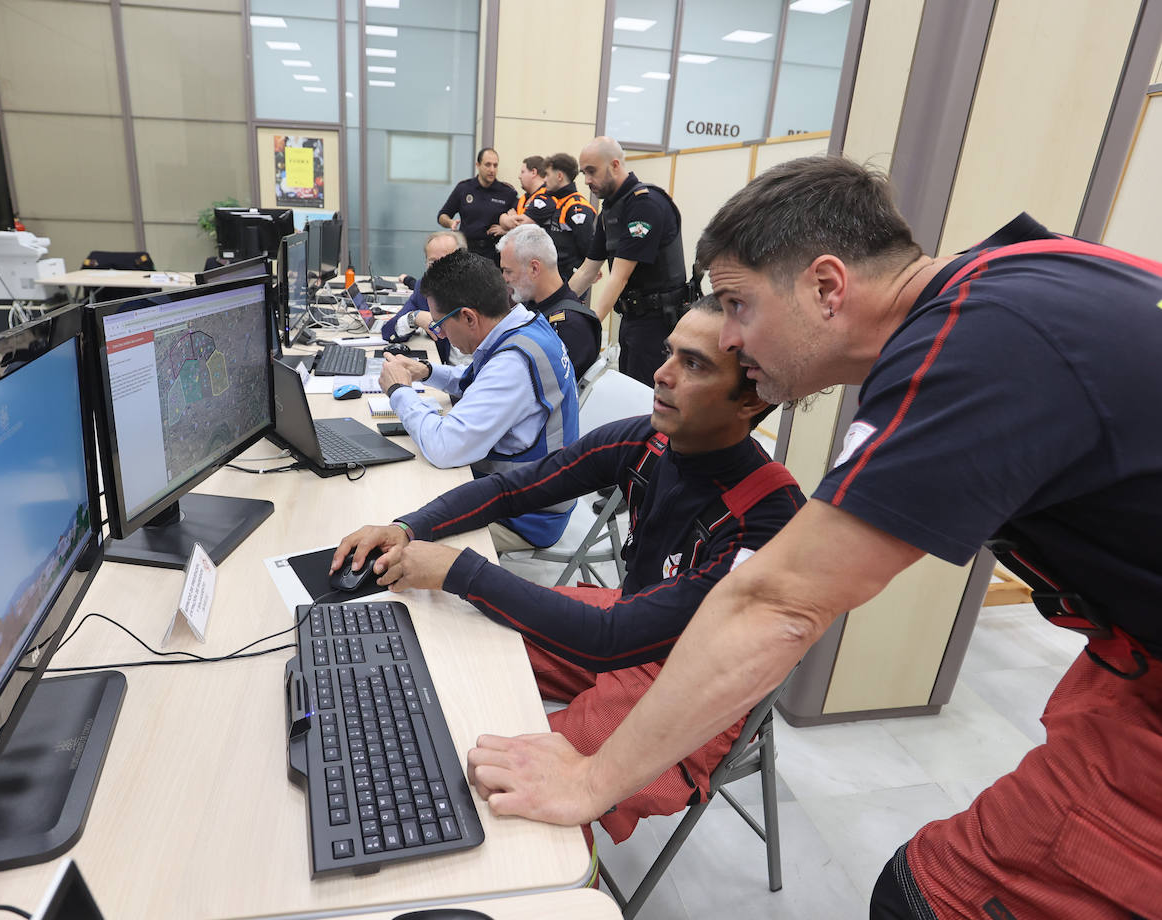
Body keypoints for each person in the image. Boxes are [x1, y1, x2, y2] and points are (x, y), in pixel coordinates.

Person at [464, 155, 1162, 920]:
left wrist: (593, 778)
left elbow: (780, 604)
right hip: (1128, 657)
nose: (732, 336)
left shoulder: (981, 343)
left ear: (827, 287)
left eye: (737, 305)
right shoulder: (1025, 271)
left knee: (933, 900)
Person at [334, 296, 801, 844]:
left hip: (692, 695)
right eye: (669, 352)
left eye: (693, 364)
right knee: (448, 635)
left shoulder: (769, 521)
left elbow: (610, 641)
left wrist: (460, 570)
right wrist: (409, 528)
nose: (662, 374)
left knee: (516, 791)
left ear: (753, 398)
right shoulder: (650, 440)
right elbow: (516, 487)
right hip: (635, 628)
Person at [377, 250, 579, 551]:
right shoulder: (525, 323)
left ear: (469, 317)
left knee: (397, 534)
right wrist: (428, 371)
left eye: (440, 324)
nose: (440, 334)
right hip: (528, 492)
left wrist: (399, 392)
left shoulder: (513, 364)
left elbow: (445, 447)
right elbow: (479, 378)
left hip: (527, 515)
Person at [568, 136, 688, 387]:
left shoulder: (645, 205)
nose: (587, 180)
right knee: (630, 392)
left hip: (659, 325)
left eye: (592, 171)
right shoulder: (610, 211)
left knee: (644, 399)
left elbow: (619, 275)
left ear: (614, 165)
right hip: (632, 320)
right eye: (583, 173)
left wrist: (588, 326)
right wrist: (555, 310)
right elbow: (587, 271)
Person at [496, 223, 600, 381]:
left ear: (534, 269)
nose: (505, 278)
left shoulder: (571, 326)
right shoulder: (529, 308)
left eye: (508, 271)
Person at [380, 229, 465, 364]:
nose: (438, 268)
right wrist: (415, 318)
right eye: (432, 262)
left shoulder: (478, 292)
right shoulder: (424, 288)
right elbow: (388, 332)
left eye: (446, 260)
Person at [438, 148, 519, 262]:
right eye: (488, 165)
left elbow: (521, 221)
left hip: (494, 253)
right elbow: (442, 216)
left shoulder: (507, 192)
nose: (492, 170)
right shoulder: (464, 188)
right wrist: (450, 223)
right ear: (478, 165)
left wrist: (506, 229)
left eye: (495, 165)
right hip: (467, 252)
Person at [532, 152, 596, 283]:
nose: (544, 180)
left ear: (559, 176)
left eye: (547, 174)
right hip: (553, 276)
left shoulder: (577, 207)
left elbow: (588, 249)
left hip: (569, 280)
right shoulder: (559, 201)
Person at [493, 155, 551, 236]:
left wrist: (509, 220)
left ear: (533, 172)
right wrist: (508, 219)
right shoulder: (524, 198)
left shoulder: (546, 197)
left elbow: (522, 226)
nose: (519, 177)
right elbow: (502, 218)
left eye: (523, 172)